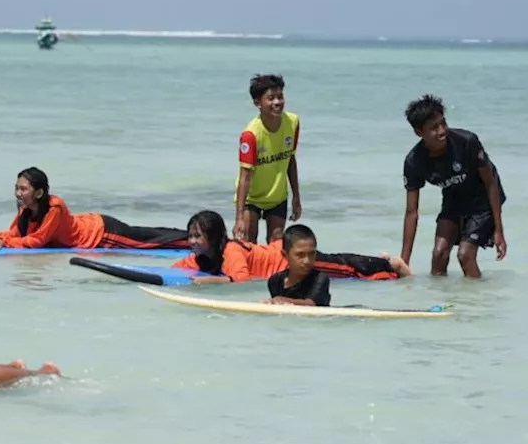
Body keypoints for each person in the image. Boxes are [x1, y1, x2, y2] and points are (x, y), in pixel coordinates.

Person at [401, 94, 507, 279]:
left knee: (465, 255)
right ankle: (443, 302)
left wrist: (499, 230)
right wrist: (404, 262)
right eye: (434, 128)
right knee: (438, 255)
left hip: (482, 201)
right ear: (419, 132)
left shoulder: (467, 142)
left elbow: (490, 183)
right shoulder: (414, 161)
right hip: (453, 201)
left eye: (443, 123)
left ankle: (476, 302)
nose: (442, 131)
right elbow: (411, 212)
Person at [0, 168, 187, 250]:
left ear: (38, 193)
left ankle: (192, 239)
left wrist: (3, 243)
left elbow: (36, 242)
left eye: (23, 189)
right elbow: (14, 234)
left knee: (148, 241)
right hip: (92, 226)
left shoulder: (54, 207)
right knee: (147, 235)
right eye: (16, 188)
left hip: (101, 233)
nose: (18, 193)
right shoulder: (26, 209)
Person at [173, 211, 411, 285]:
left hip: (290, 259)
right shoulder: (202, 256)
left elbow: (241, 280)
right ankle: (381, 261)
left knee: (343, 267)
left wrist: (207, 282)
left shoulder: (230, 252)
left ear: (214, 238)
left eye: (198, 237)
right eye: (190, 236)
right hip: (288, 263)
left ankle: (390, 265)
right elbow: (179, 267)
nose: (192, 241)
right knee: (340, 264)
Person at [233, 74, 301, 244]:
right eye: (270, 98)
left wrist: (296, 197)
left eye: (280, 96)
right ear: (257, 103)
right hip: (252, 199)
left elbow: (290, 160)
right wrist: (239, 217)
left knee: (277, 245)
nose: (277, 102)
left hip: (277, 197)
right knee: (248, 243)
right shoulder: (250, 135)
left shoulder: (292, 122)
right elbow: (245, 177)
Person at [266, 224, 332, 306]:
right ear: (284, 255)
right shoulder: (275, 281)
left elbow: (310, 304)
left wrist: (280, 300)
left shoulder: (320, 278)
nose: (307, 261)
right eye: (300, 255)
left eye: (312, 254)